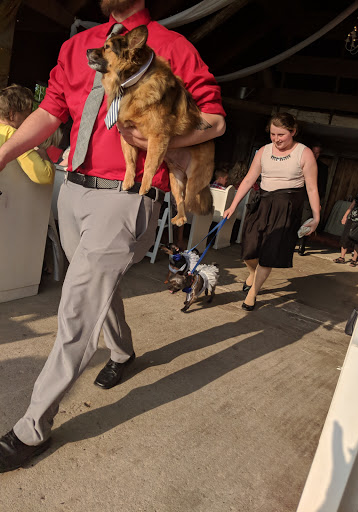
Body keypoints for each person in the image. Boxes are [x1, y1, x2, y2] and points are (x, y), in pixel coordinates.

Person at [0, 0, 225, 472]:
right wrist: (2, 155)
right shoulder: (79, 45)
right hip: (72, 188)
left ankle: (30, 430)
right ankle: (122, 351)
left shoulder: (173, 48)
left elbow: (215, 120)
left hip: (126, 197)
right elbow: (50, 111)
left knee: (77, 308)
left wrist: (160, 141)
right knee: (98, 289)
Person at [223, 112, 320, 311]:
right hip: (262, 203)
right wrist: (233, 205)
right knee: (249, 249)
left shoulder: (304, 153)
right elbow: (249, 179)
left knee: (269, 252)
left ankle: (253, 293)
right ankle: (252, 273)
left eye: (281, 135)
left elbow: (312, 188)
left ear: (293, 132)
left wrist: (316, 217)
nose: (276, 139)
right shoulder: (264, 151)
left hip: (286, 206)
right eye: (273, 134)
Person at [0, 84, 54, 184]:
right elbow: (45, 176)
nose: (29, 122)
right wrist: (44, 155)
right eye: (27, 117)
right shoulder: (13, 135)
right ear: (12, 115)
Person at [298, 142, 328, 255]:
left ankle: (302, 245)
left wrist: (318, 202)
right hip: (298, 196)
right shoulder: (301, 163)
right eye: (313, 152)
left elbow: (322, 187)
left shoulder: (323, 168)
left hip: (310, 199)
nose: (315, 155)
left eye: (317, 153)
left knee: (306, 222)